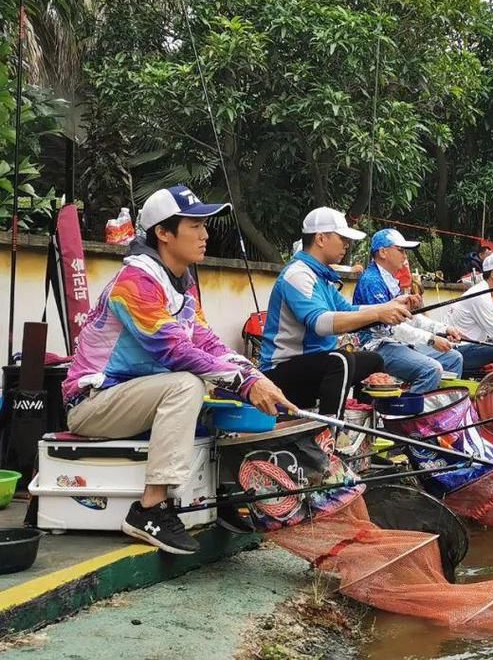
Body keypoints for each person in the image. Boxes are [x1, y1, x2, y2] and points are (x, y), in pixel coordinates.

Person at [62, 185, 293, 555]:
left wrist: (255, 376)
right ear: (164, 233)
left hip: (137, 399)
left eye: (205, 225)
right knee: (188, 383)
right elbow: (175, 350)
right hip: (93, 403)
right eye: (195, 226)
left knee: (215, 383)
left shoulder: (181, 286)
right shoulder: (134, 285)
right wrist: (244, 383)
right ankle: (150, 509)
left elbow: (209, 344)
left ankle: (221, 493)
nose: (205, 235)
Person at [260, 208, 413, 416]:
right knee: (340, 360)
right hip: (280, 371)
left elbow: (348, 310)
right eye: (342, 238)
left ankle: (363, 423)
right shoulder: (298, 274)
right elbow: (321, 323)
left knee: (373, 360)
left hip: (316, 364)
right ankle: (330, 432)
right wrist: (378, 313)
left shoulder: (321, 276)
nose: (347, 245)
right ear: (321, 238)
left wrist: (387, 307)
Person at [354, 229, 464, 393]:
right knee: (431, 369)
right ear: (383, 252)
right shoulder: (372, 281)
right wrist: (431, 339)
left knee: (453, 358)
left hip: (398, 343)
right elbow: (393, 328)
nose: (405, 256)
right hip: (377, 346)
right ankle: (408, 416)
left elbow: (409, 318)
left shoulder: (391, 280)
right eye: (400, 250)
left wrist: (443, 329)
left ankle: (440, 408)